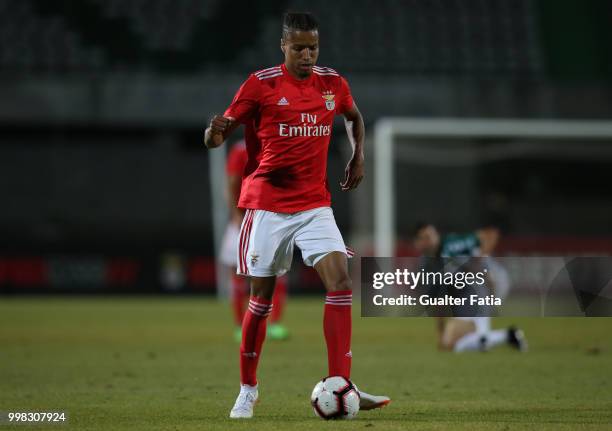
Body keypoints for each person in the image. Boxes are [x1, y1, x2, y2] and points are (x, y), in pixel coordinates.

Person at [204, 12, 390, 419]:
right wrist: (213, 132)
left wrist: (358, 156)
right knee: (261, 300)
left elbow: (354, 116)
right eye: (299, 47)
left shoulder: (332, 83)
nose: (307, 55)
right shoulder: (261, 84)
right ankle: (248, 389)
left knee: (340, 281)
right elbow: (220, 133)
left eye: (313, 47)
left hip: (314, 205)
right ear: (283, 47)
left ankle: (341, 383)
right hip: (268, 207)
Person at [412, 223, 527, 353]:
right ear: (417, 243)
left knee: (452, 342)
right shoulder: (426, 264)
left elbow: (491, 233)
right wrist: (440, 332)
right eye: (425, 238)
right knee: (452, 343)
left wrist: (481, 257)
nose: (431, 240)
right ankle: (504, 336)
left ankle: (492, 337)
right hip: (469, 292)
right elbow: (439, 300)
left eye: (431, 236)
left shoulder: (451, 246)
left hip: (487, 283)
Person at [219, 140, 289, 341]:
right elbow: (232, 182)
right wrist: (236, 215)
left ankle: (275, 324)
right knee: (238, 270)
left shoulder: (279, 142)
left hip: (271, 216)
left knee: (277, 270)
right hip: (244, 218)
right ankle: (239, 326)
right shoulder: (242, 149)